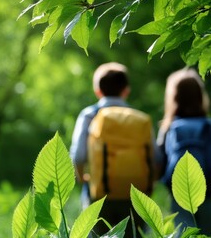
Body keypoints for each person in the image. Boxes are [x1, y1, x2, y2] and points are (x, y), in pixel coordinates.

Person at [69, 62, 161, 237]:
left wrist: (84, 179)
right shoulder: (140, 119)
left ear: (98, 91)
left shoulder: (89, 115)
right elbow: (156, 159)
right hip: (136, 196)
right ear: (126, 90)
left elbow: (79, 156)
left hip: (99, 195)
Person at [157, 68, 211, 235]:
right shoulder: (208, 126)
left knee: (183, 233)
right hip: (209, 192)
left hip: (178, 193)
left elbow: (159, 163)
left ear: (174, 98)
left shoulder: (169, 128)